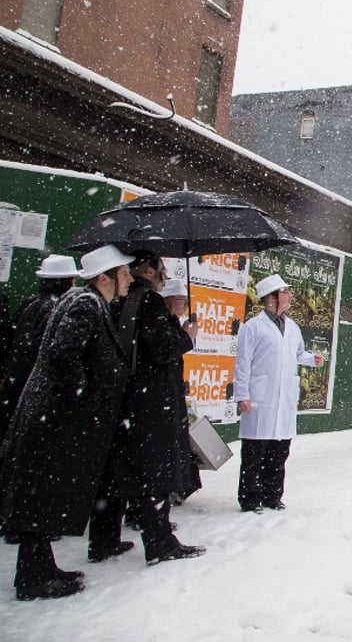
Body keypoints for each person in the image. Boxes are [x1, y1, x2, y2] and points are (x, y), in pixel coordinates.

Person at [0, 244, 133, 600]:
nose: (129, 279)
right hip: (54, 421)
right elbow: (63, 353)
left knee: (42, 498)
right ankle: (33, 578)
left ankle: (40, 567)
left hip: (52, 419)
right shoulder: (85, 305)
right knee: (41, 497)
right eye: (124, 274)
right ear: (105, 278)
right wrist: (81, 395)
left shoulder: (86, 303)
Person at [89, 252, 204, 566]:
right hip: (151, 402)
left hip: (124, 399)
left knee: (117, 474)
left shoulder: (119, 301)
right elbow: (162, 349)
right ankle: (159, 542)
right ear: (149, 270)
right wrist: (186, 337)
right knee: (155, 472)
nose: (165, 276)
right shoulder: (149, 301)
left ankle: (103, 539)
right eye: (162, 269)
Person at [233, 274, 324, 513]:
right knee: (255, 451)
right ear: (271, 298)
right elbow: (243, 363)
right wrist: (242, 394)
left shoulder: (292, 327)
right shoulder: (253, 327)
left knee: (279, 450)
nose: (290, 296)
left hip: (284, 398)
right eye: (285, 292)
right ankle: (251, 498)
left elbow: (297, 353)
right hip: (260, 398)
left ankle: (272, 495)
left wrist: (311, 359)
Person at [0, 254, 82, 444]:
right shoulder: (56, 311)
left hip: (16, 384)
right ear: (68, 281)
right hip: (31, 390)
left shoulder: (30, 304)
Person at [161, 278, 203, 503]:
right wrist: (187, 337)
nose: (185, 305)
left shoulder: (172, 323)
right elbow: (166, 350)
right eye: (180, 300)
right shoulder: (163, 323)